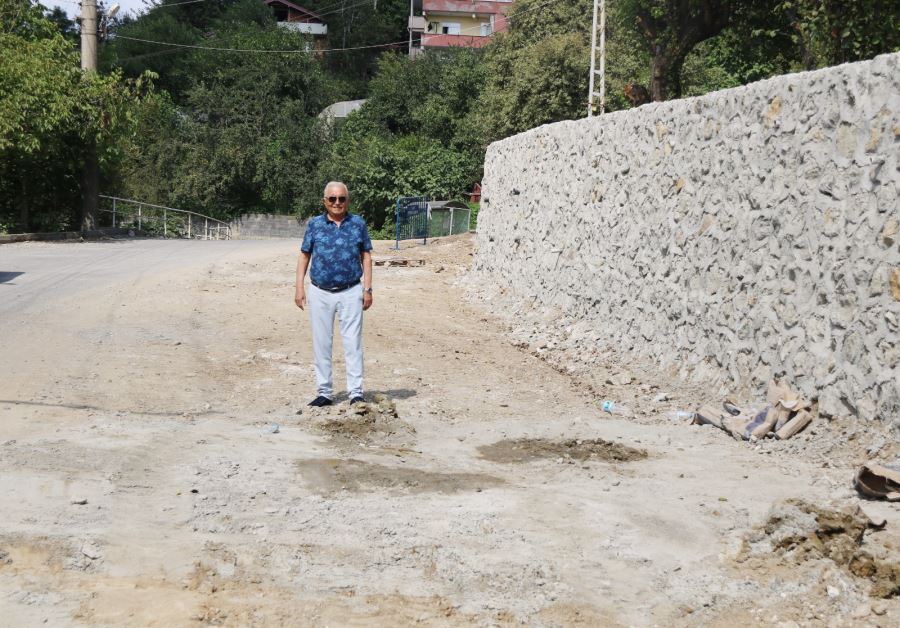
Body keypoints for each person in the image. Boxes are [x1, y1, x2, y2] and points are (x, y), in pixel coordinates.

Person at [294, 182, 373, 406]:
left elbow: (366, 256)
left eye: (341, 199)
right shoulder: (315, 225)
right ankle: (324, 392)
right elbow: (304, 256)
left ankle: (356, 392)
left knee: (352, 343)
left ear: (347, 201)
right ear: (324, 201)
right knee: (322, 342)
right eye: (332, 199)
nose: (337, 203)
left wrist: (367, 289)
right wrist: (299, 287)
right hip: (320, 291)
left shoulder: (358, 224)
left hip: (351, 291)